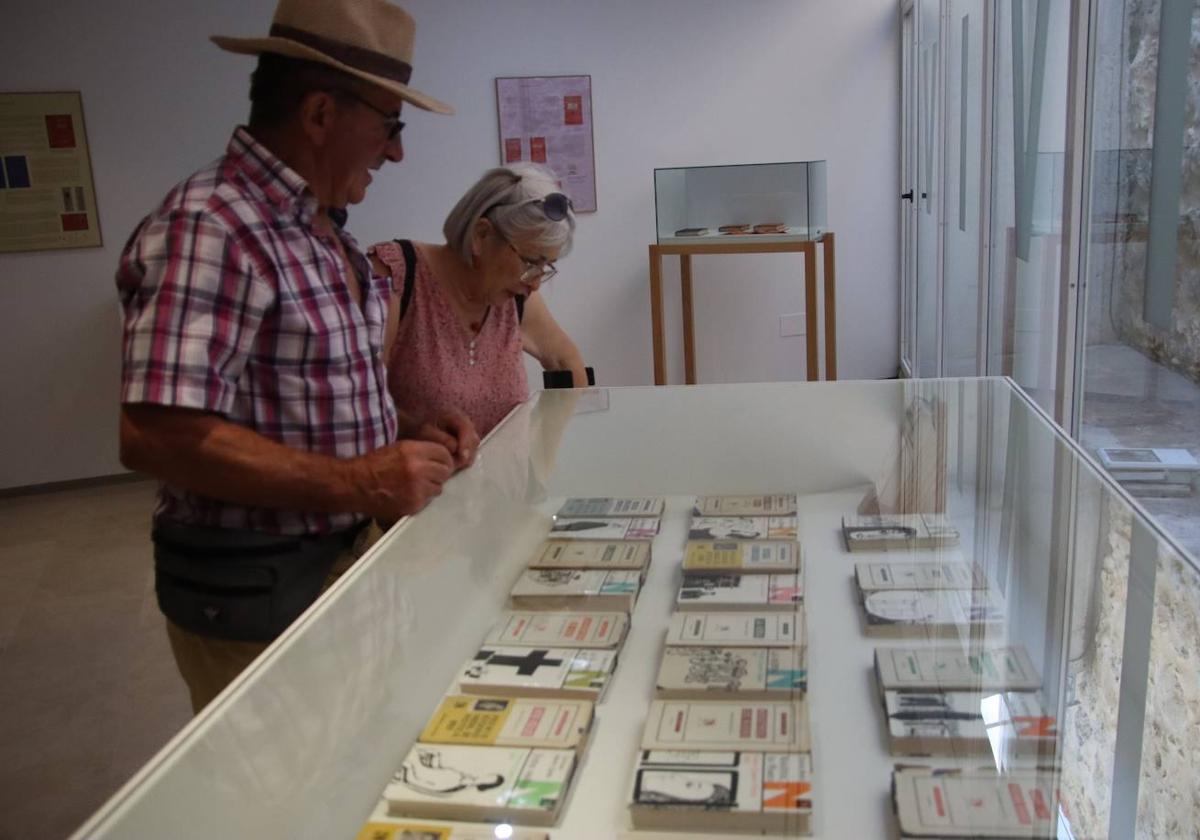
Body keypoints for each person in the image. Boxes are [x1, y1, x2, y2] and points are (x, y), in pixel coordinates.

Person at [115, 0, 478, 713]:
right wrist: (364, 481)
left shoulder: (320, 229)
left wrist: (403, 430)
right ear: (319, 114)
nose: (397, 151)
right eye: (390, 125)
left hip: (340, 566)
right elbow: (155, 436)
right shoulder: (212, 226)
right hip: (258, 590)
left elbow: (306, 386)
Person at [370, 164, 588, 437]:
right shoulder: (397, 276)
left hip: (504, 478)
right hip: (426, 477)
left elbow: (568, 365)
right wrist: (417, 431)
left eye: (546, 267)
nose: (534, 283)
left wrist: (544, 459)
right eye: (531, 262)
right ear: (481, 235)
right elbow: (359, 401)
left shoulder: (515, 300)